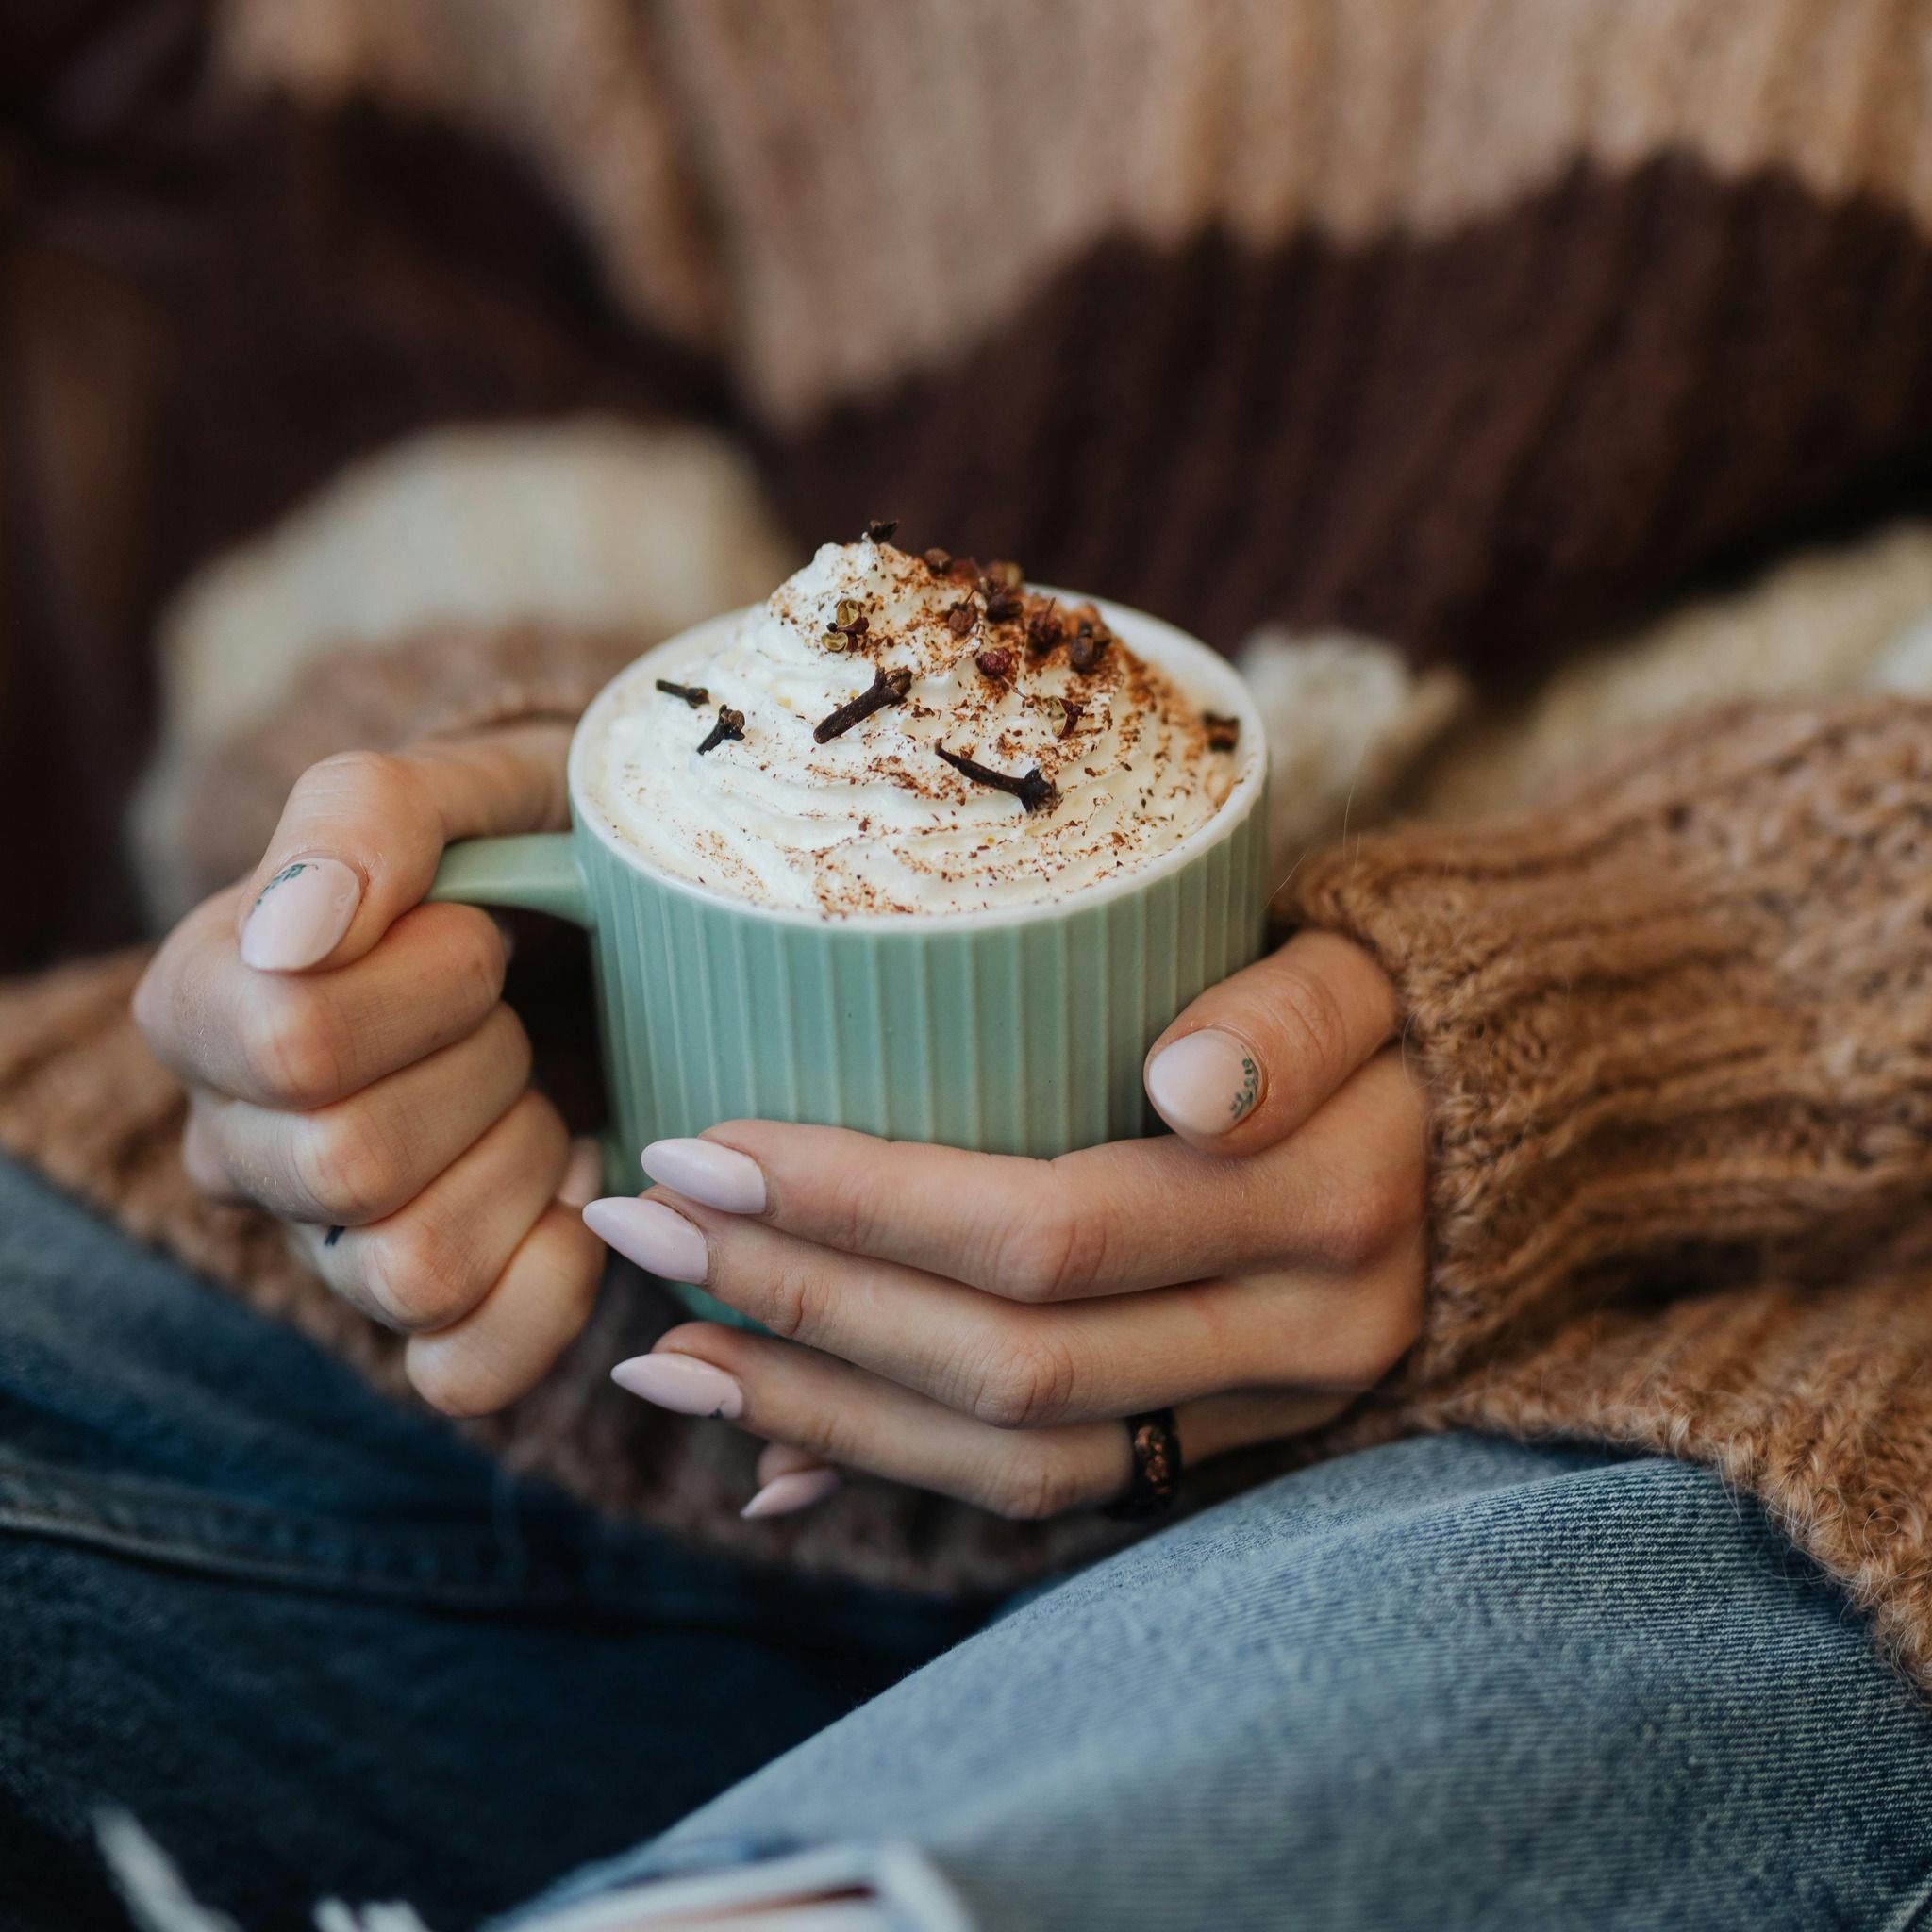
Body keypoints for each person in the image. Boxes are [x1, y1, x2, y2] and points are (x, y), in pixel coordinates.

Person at [6, 5, 1932, 1927]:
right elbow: (404, 382)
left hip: (1721, 1339)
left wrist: (1645, 1007)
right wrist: (501, 898)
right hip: (550, 1364)